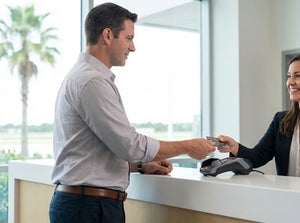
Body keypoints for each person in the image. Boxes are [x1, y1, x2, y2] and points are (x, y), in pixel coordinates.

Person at [49, 3, 215, 223]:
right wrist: (188, 147)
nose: (133, 47)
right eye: (128, 38)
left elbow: (92, 154)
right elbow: (130, 145)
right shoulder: (92, 82)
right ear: (108, 35)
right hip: (89, 209)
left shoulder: (83, 77)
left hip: (85, 206)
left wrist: (140, 166)